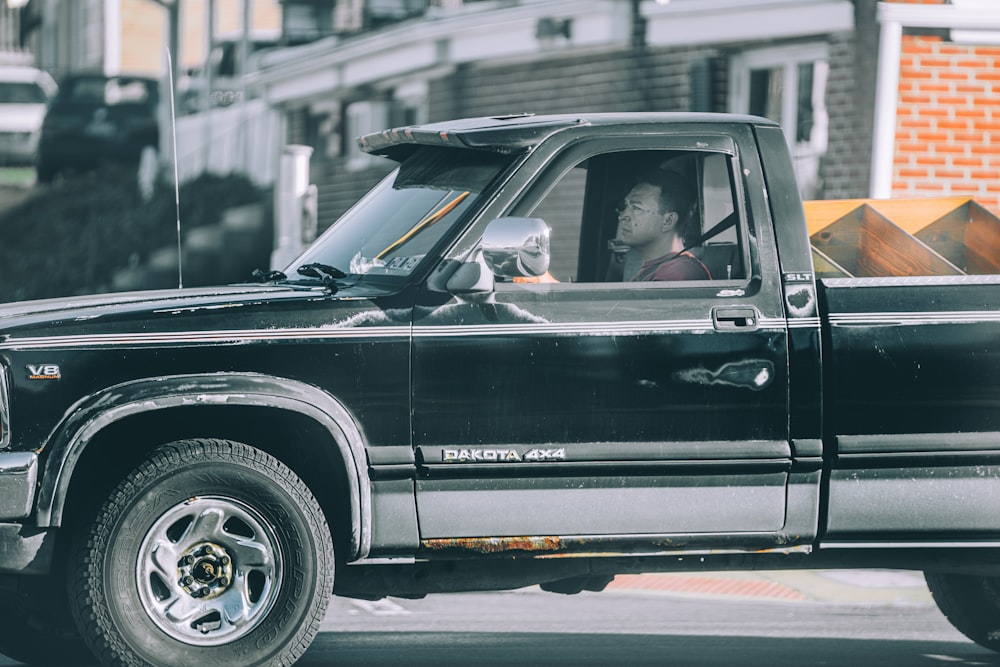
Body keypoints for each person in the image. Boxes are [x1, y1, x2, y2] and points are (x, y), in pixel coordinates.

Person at [615, 169, 711, 281]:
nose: (622, 216)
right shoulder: (656, 270)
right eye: (626, 206)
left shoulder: (677, 272)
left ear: (668, 221)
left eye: (636, 208)